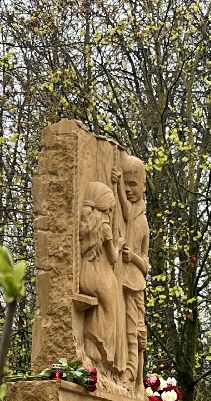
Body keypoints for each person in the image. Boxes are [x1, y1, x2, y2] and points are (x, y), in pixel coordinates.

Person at [76, 181, 127, 388]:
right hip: (99, 274)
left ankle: (94, 352)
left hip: (85, 273)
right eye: (109, 209)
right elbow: (113, 257)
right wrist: (119, 244)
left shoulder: (85, 222)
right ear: (104, 208)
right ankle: (100, 354)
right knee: (112, 309)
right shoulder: (104, 226)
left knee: (106, 308)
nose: (111, 213)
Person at [117, 154, 150, 386]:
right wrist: (117, 184)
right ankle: (127, 371)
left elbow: (146, 264)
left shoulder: (143, 222)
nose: (128, 190)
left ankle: (134, 375)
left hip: (135, 282)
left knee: (136, 331)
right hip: (122, 279)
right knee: (125, 327)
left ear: (143, 186)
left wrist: (134, 257)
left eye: (133, 184)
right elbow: (126, 210)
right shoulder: (131, 213)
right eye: (125, 184)